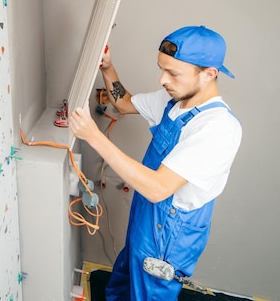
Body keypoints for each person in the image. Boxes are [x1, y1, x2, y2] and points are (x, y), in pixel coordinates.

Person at [69, 26, 242, 300]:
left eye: (173, 73)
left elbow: (158, 188)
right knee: (122, 284)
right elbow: (124, 103)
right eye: (162, 69)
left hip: (169, 234)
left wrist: (93, 136)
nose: (163, 79)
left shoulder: (217, 128)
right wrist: (108, 67)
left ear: (209, 73)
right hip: (145, 217)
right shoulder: (174, 100)